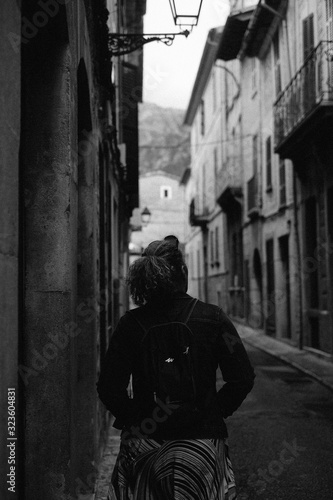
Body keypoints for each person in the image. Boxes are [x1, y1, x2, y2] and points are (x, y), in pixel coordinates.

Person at [97, 237, 255, 500]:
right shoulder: (214, 319)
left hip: (144, 446)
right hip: (201, 446)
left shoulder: (130, 325)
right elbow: (242, 378)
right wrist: (213, 411)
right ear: (183, 271)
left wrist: (136, 418)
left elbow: (109, 387)